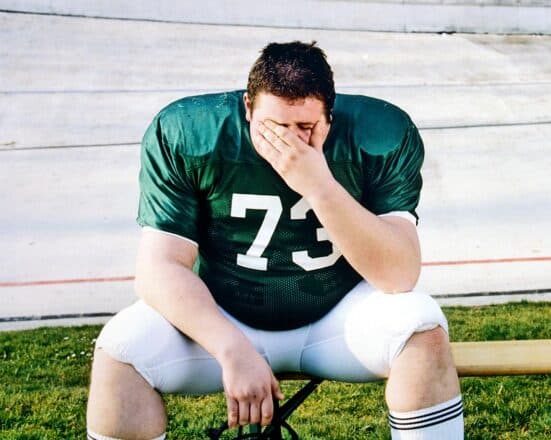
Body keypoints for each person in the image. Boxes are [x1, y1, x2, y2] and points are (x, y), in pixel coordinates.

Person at [86, 41, 463, 440]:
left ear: (330, 119)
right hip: (222, 315)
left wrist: (317, 184)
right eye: (274, 126)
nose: (290, 142)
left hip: (337, 316)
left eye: (306, 127)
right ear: (247, 107)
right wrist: (230, 348)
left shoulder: (379, 133)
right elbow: (158, 268)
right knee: (121, 349)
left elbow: (398, 274)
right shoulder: (189, 133)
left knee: (422, 329)